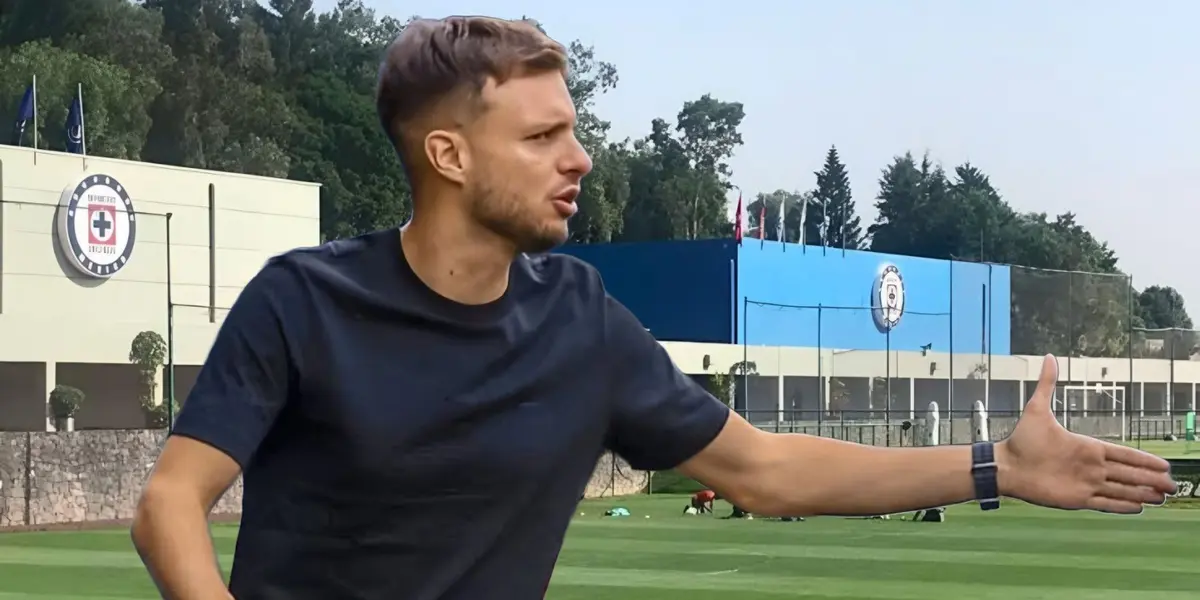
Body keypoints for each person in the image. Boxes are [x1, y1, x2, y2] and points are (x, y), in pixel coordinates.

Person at [129, 15, 1177, 600]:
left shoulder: (578, 318)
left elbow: (761, 471)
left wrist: (997, 465)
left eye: (573, 129)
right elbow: (170, 503)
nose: (579, 158)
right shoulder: (304, 301)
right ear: (446, 155)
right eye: (541, 138)